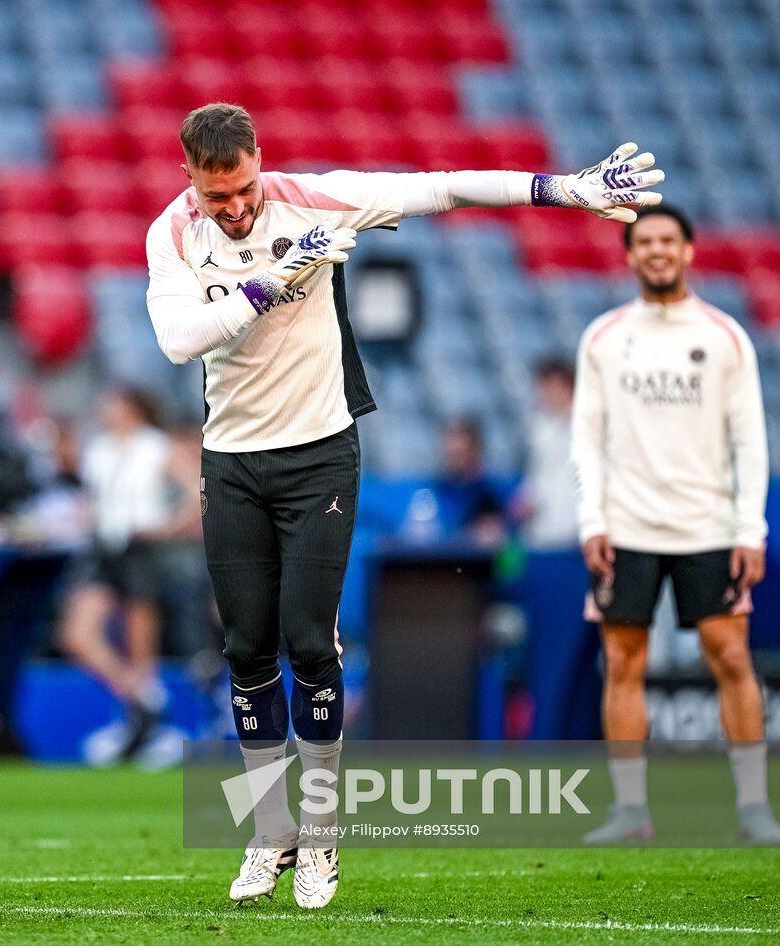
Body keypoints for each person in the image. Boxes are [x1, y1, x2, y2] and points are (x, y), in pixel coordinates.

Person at [145, 102, 664, 908]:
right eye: (220, 198)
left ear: (259, 161)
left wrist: (559, 188)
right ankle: (268, 829)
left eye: (245, 188)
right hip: (233, 460)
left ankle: (319, 837)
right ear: (189, 178)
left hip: (319, 453)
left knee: (308, 641)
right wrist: (273, 278)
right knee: (246, 647)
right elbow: (181, 340)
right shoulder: (172, 233)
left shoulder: (313, 200)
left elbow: (443, 190)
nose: (238, 209)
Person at [572, 205, 780, 844]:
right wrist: (593, 519)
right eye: (645, 242)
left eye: (668, 240)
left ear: (689, 251)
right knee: (623, 663)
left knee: (730, 656)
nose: (658, 250)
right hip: (628, 528)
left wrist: (752, 529)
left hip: (709, 529)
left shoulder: (725, 337)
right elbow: (586, 437)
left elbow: (751, 438)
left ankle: (754, 809)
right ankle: (632, 813)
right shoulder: (605, 338)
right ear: (630, 255)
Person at [56, 388, 179, 762]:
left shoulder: (157, 447)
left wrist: (165, 527)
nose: (106, 410)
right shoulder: (99, 450)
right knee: (75, 634)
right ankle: (142, 700)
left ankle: (145, 728)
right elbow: (90, 493)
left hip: (140, 548)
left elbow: (197, 491)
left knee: (139, 644)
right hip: (104, 547)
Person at [515, 358, 579, 550]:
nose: (544, 395)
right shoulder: (539, 428)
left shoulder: (589, 426)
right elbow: (538, 474)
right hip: (543, 530)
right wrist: (528, 497)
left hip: (575, 529)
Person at [434, 417, 506, 546]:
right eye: (450, 455)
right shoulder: (439, 488)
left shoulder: (487, 493)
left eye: (459, 454)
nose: (453, 460)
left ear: (474, 450)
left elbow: (491, 541)